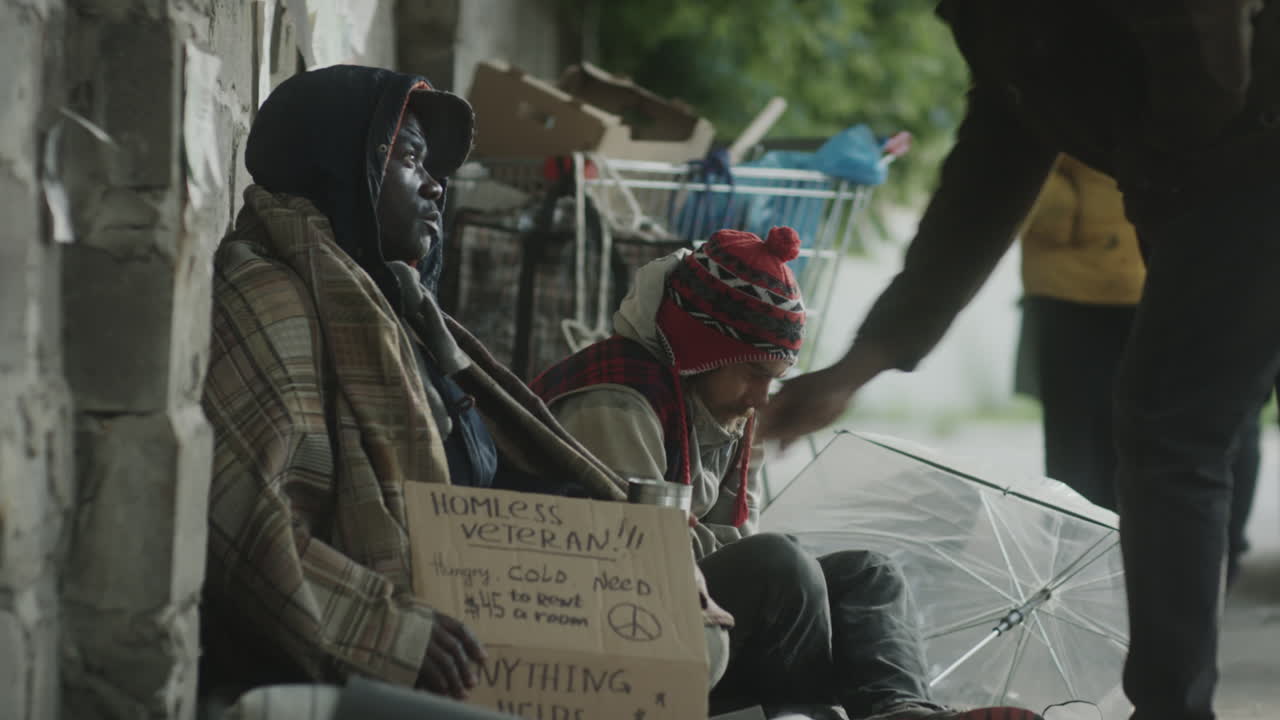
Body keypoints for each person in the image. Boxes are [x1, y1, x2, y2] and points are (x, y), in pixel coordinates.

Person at [760, 4, 1280, 719]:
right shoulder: (997, 24)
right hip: (1220, 181)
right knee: (1176, 432)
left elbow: (1206, 42)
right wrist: (865, 361)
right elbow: (993, 163)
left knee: (1170, 434)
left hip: (1251, 168)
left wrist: (1162, 183)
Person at [197, 65, 735, 708]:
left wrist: (639, 559)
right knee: (730, 627)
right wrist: (392, 631)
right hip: (401, 640)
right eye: (409, 158)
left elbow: (505, 484)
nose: (435, 186)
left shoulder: (396, 309)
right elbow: (245, 522)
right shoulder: (270, 299)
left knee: (772, 584)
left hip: (473, 600)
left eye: (436, 168)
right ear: (338, 164)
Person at [532, 228, 1042, 720]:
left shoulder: (719, 403)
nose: (761, 398)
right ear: (700, 350)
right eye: (752, 372)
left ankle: (900, 711)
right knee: (782, 567)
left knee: (870, 574)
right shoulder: (617, 402)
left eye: (772, 379)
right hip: (615, 624)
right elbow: (638, 561)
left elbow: (733, 536)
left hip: (690, 594)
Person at [1015, 154, 1264, 585]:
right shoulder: (1051, 95)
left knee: (1206, 434)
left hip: (1198, 269)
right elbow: (1008, 159)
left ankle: (1218, 559)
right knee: (1080, 439)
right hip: (1072, 285)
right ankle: (1080, 567)